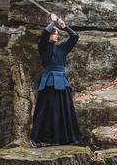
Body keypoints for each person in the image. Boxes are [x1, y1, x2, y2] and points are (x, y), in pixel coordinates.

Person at [29, 13, 81, 148]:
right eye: (53, 33)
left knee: (65, 109)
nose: (54, 34)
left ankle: (67, 138)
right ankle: (35, 139)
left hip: (62, 82)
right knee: (44, 110)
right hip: (48, 82)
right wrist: (53, 22)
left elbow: (75, 37)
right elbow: (44, 34)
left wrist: (65, 27)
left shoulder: (63, 48)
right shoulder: (43, 47)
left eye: (56, 33)